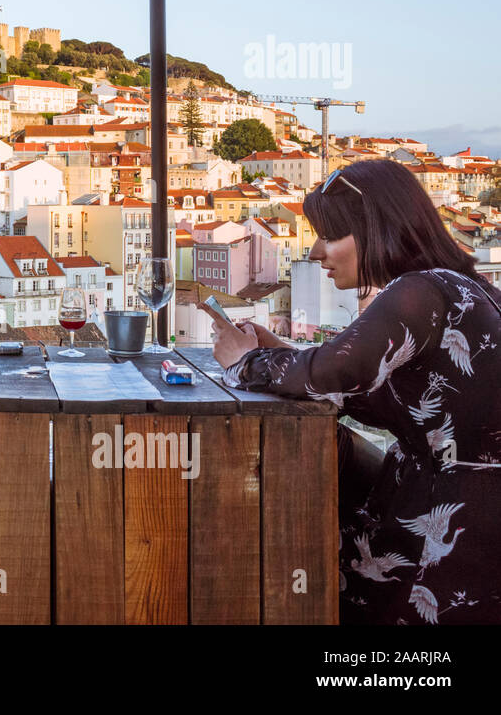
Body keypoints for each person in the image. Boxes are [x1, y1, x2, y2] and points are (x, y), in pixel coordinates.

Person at [205, 159, 501, 624]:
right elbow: (389, 400)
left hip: (441, 529)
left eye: (331, 235)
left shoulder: (417, 291)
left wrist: (243, 361)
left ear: (375, 230)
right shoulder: (467, 288)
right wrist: (284, 350)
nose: (318, 252)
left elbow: (330, 376)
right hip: (470, 520)